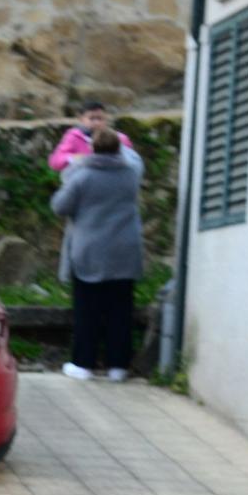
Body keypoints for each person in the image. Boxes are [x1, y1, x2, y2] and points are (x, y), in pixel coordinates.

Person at [51, 127, 145, 381]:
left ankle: (83, 363)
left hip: (90, 250)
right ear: (119, 149)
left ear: (92, 149)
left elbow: (60, 206)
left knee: (87, 310)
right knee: (121, 311)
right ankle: (118, 367)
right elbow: (135, 159)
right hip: (125, 250)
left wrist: (73, 167)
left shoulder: (82, 176)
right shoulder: (131, 174)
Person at [49, 100, 133, 172]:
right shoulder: (74, 136)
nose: (97, 123)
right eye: (92, 118)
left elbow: (132, 162)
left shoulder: (119, 138)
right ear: (81, 119)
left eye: (100, 118)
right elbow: (55, 162)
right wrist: (74, 158)